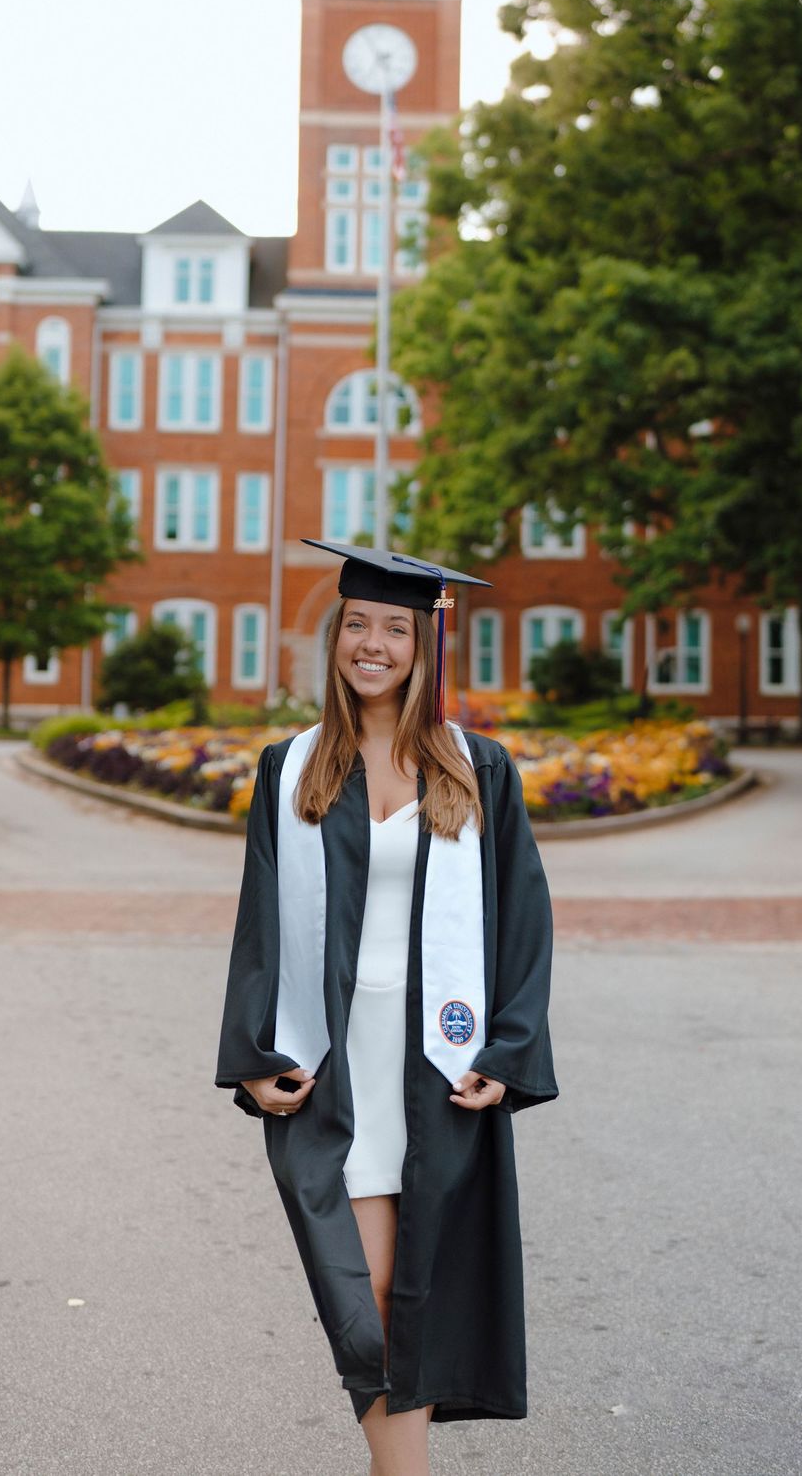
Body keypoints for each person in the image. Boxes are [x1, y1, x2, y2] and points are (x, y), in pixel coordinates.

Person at [216, 541, 558, 1476]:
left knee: (420, 1297)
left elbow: (523, 918)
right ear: (338, 635)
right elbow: (260, 921)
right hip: (331, 1062)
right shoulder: (291, 769)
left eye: (395, 628)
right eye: (358, 623)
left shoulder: (474, 768)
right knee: (362, 1294)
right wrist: (252, 1052)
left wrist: (512, 1046)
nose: (373, 644)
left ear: (424, 644)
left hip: (436, 1066)